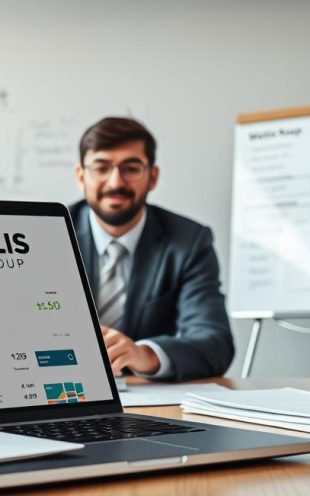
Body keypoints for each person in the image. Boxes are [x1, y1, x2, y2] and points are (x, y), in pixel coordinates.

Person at [70, 117, 234, 381]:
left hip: (147, 397)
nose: (115, 182)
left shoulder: (189, 241)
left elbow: (215, 343)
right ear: (81, 176)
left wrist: (145, 354)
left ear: (152, 176)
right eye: (101, 168)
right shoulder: (47, 234)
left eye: (131, 168)